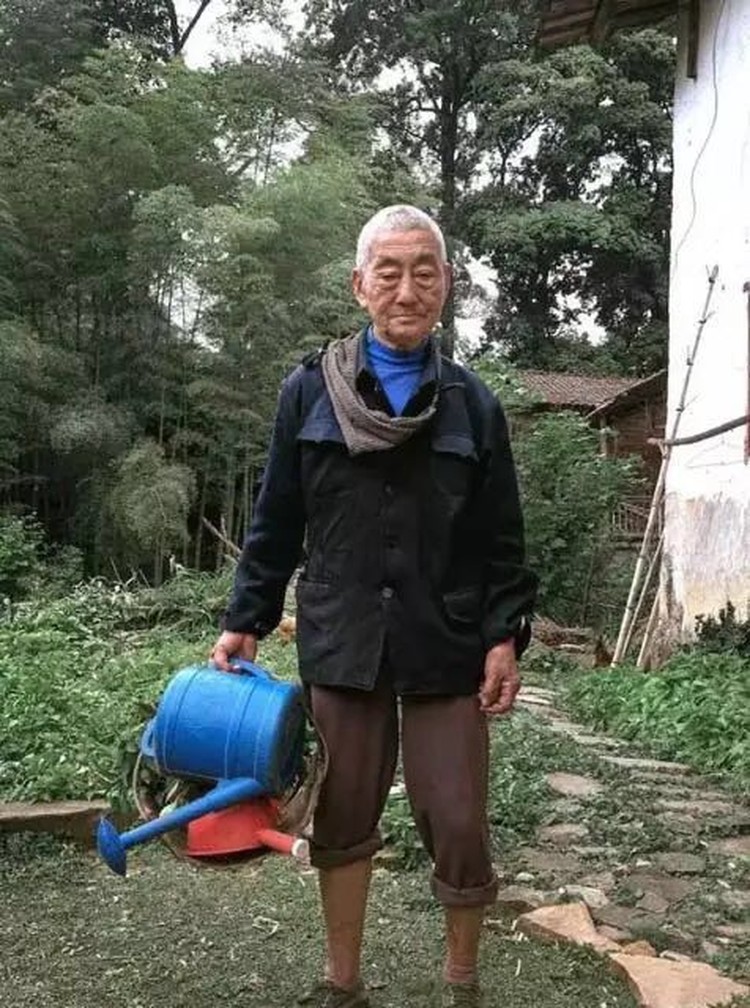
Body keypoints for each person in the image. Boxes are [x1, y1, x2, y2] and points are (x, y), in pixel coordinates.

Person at [211, 205, 538, 1008]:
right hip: (344, 635)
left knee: (458, 819)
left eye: (424, 271)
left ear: (447, 288)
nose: (406, 287)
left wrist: (505, 638)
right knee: (344, 813)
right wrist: (245, 618)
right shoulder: (308, 393)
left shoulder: (473, 406)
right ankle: (342, 983)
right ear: (360, 286)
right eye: (387, 272)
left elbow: (502, 539)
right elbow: (277, 516)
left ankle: (462, 985)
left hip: (446, 640)